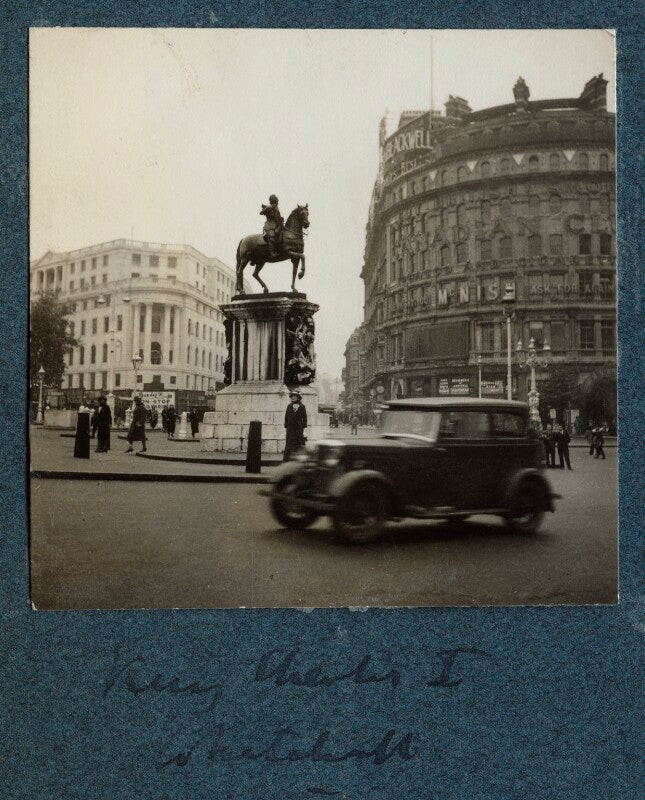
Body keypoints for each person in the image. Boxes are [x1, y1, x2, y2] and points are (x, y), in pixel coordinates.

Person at [283, 390, 307, 461]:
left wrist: (304, 431)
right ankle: (287, 461)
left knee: (298, 444)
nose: (293, 397)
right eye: (292, 396)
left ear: (298, 397)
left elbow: (305, 419)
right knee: (289, 444)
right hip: (290, 430)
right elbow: (286, 418)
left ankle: (297, 461)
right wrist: (286, 429)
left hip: (299, 430)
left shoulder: (302, 406)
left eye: (295, 396)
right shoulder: (289, 406)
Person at [260, 194, 284, 259]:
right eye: (276, 200)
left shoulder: (276, 208)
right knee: (272, 237)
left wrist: (281, 219)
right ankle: (272, 253)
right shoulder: (269, 207)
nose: (277, 201)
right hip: (269, 225)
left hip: (277, 225)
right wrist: (267, 208)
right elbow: (261, 213)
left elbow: (278, 217)